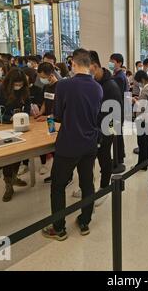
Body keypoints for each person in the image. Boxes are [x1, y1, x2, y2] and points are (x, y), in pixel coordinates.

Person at [42, 48, 103, 241]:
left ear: (73, 64)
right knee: (87, 183)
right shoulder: (97, 87)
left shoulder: (64, 85)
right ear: (89, 65)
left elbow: (58, 116)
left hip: (69, 143)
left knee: (58, 186)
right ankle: (84, 221)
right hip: (90, 142)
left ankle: (59, 228)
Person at [0, 68, 31, 202]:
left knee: (18, 154)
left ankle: (14, 177)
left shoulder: (24, 90)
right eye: (16, 84)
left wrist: (25, 115)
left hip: (21, 126)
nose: (18, 86)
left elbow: (28, 105)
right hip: (5, 127)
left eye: (21, 84)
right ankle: (8, 184)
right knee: (9, 157)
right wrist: (10, 118)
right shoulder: (0, 91)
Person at [90, 50, 122, 205]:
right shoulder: (95, 83)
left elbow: (116, 113)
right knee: (92, 158)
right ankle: (89, 188)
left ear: (95, 66)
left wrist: (108, 132)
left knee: (103, 157)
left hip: (106, 128)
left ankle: (104, 187)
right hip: (93, 129)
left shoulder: (110, 86)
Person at [109, 53, 128, 165]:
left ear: (119, 63)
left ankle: (119, 158)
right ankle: (120, 155)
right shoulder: (117, 75)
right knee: (117, 134)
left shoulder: (119, 77)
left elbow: (117, 95)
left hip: (117, 109)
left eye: (113, 61)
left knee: (116, 134)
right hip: (118, 108)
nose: (110, 63)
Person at [133, 70, 148, 171]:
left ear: (141, 80)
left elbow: (142, 107)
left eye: (138, 81)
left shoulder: (146, 90)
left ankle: (142, 164)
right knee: (147, 140)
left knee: (142, 142)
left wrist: (135, 101)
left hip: (142, 118)